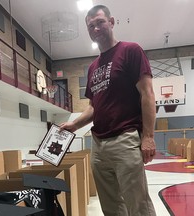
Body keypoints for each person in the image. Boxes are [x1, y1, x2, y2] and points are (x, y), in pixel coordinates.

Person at [59, 5, 157, 216]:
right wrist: (74, 124)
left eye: (100, 22)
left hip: (125, 139)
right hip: (98, 145)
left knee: (137, 203)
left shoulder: (130, 51)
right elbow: (95, 107)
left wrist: (148, 136)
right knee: (111, 206)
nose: (95, 28)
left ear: (112, 22)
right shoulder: (93, 67)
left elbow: (147, 94)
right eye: (91, 25)